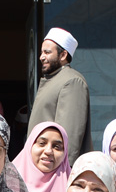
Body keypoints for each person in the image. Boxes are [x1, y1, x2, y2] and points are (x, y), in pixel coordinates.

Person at [28, 27, 92, 164]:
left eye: (47, 52)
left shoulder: (72, 81)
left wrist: (62, 171)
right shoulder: (54, 79)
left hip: (56, 169)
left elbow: (69, 138)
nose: (41, 57)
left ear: (63, 55)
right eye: (41, 52)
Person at [13, 121, 71, 192]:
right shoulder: (5, 182)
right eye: (42, 143)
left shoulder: (75, 189)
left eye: (56, 146)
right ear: (30, 145)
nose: (48, 151)